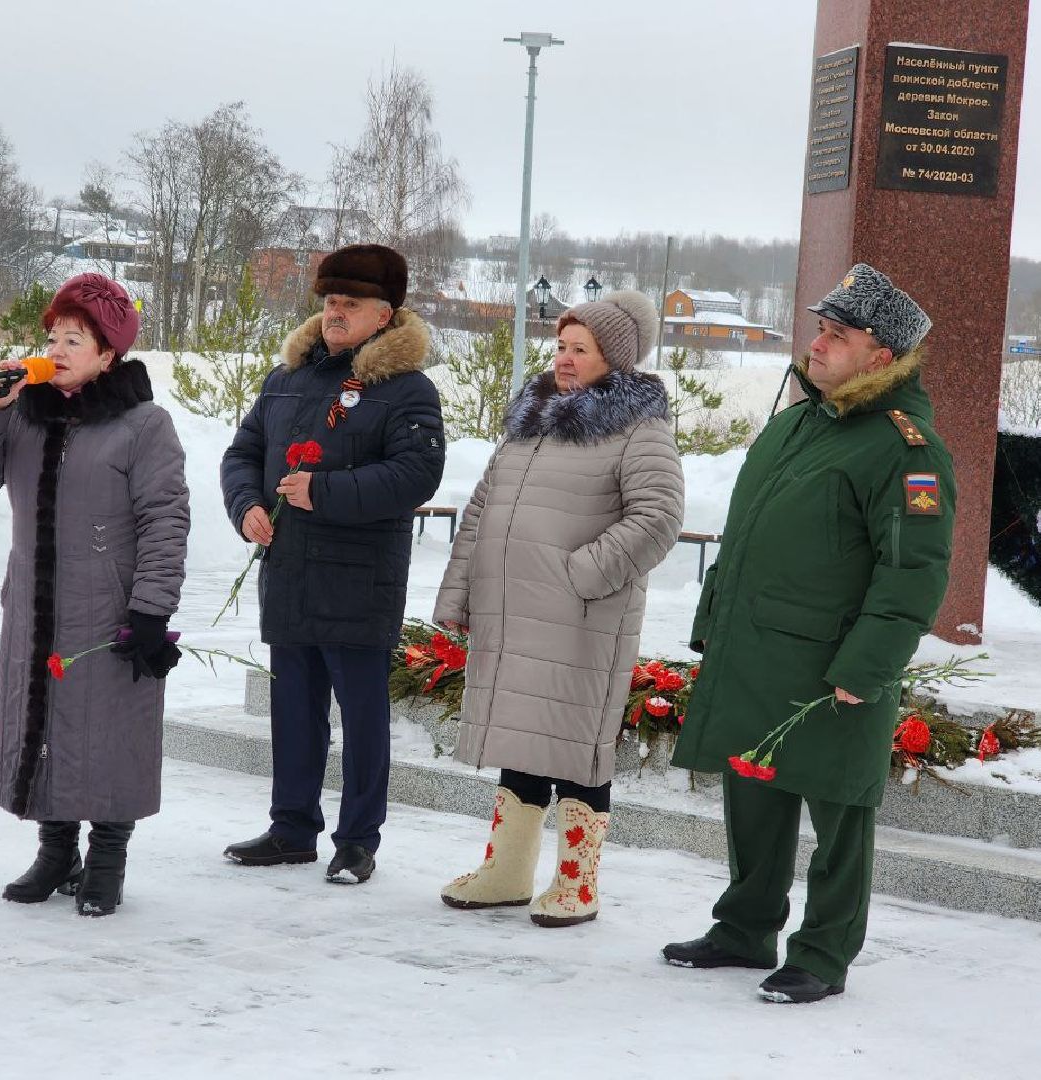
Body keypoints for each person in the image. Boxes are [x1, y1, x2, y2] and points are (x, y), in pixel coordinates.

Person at [664, 264, 956, 1002]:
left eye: (838, 335)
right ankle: (743, 928)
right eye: (820, 329)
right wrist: (715, 627)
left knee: (841, 814)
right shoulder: (798, 422)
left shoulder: (905, 449)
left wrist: (869, 667)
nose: (817, 344)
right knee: (753, 800)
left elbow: (913, 573)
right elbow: (749, 540)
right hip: (759, 649)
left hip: (834, 668)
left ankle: (823, 954)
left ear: (882, 356)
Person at [433, 290, 684, 926]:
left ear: (615, 359)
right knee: (523, 734)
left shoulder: (639, 427)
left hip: (581, 617)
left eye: (581, 349)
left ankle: (577, 881)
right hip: (513, 609)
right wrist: (461, 591)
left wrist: (581, 574)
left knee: (576, 744)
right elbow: (485, 505)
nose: (564, 360)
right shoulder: (533, 416)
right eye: (561, 346)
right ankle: (508, 870)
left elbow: (658, 518)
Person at [0, 273, 189, 918]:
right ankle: (57, 851)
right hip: (33, 603)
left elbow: (165, 518)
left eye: (74, 338)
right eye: (52, 335)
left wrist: (150, 608)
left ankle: (108, 855)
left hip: (108, 608)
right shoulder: (27, 413)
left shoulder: (144, 425)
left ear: (108, 353)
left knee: (112, 731)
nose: (55, 348)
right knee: (43, 721)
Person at [219, 243, 446, 884]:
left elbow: (415, 474)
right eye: (328, 303)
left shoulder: (407, 390)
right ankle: (292, 828)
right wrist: (246, 507)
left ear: (384, 315)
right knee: (293, 708)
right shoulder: (286, 380)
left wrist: (322, 491)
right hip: (290, 570)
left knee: (362, 715)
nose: (334, 314)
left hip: (358, 578)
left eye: (350, 304)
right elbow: (244, 453)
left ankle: (357, 839)